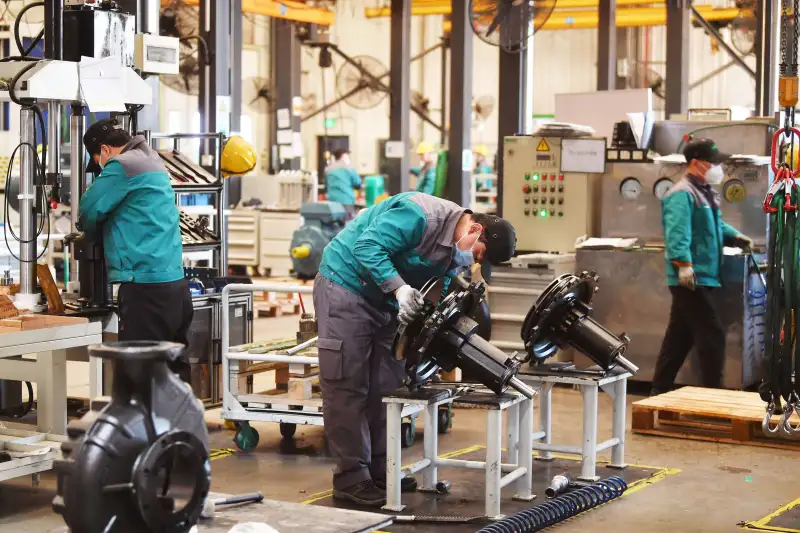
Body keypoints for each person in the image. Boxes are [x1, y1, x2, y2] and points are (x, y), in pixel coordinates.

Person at [314, 192, 516, 506]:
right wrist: (399, 288)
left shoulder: (456, 248)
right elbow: (366, 246)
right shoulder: (419, 215)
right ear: (474, 230)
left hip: (387, 301)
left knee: (387, 385)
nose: (473, 264)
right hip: (346, 285)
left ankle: (381, 470)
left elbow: (441, 286)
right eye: (478, 256)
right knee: (347, 383)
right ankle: (351, 477)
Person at [78, 118, 193, 379]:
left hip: (144, 289)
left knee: (139, 376)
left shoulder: (122, 165)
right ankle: (180, 419)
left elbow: (88, 212)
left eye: (97, 161)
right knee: (173, 372)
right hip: (175, 286)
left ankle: (147, 421)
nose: (100, 168)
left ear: (105, 150)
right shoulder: (152, 160)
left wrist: (91, 231)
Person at [651, 138, 753, 395]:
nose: (718, 168)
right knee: (712, 334)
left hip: (704, 275)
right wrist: (684, 265)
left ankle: (658, 392)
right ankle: (712, 397)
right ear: (695, 163)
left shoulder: (704, 191)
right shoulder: (682, 194)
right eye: (713, 163)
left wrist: (735, 235)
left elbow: (713, 226)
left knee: (680, 338)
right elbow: (677, 234)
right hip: (690, 277)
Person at [324, 149, 362, 219]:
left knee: (334, 225)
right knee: (348, 225)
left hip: (332, 201)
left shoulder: (328, 169)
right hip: (346, 201)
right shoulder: (349, 168)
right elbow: (357, 183)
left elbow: (326, 186)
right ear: (343, 156)